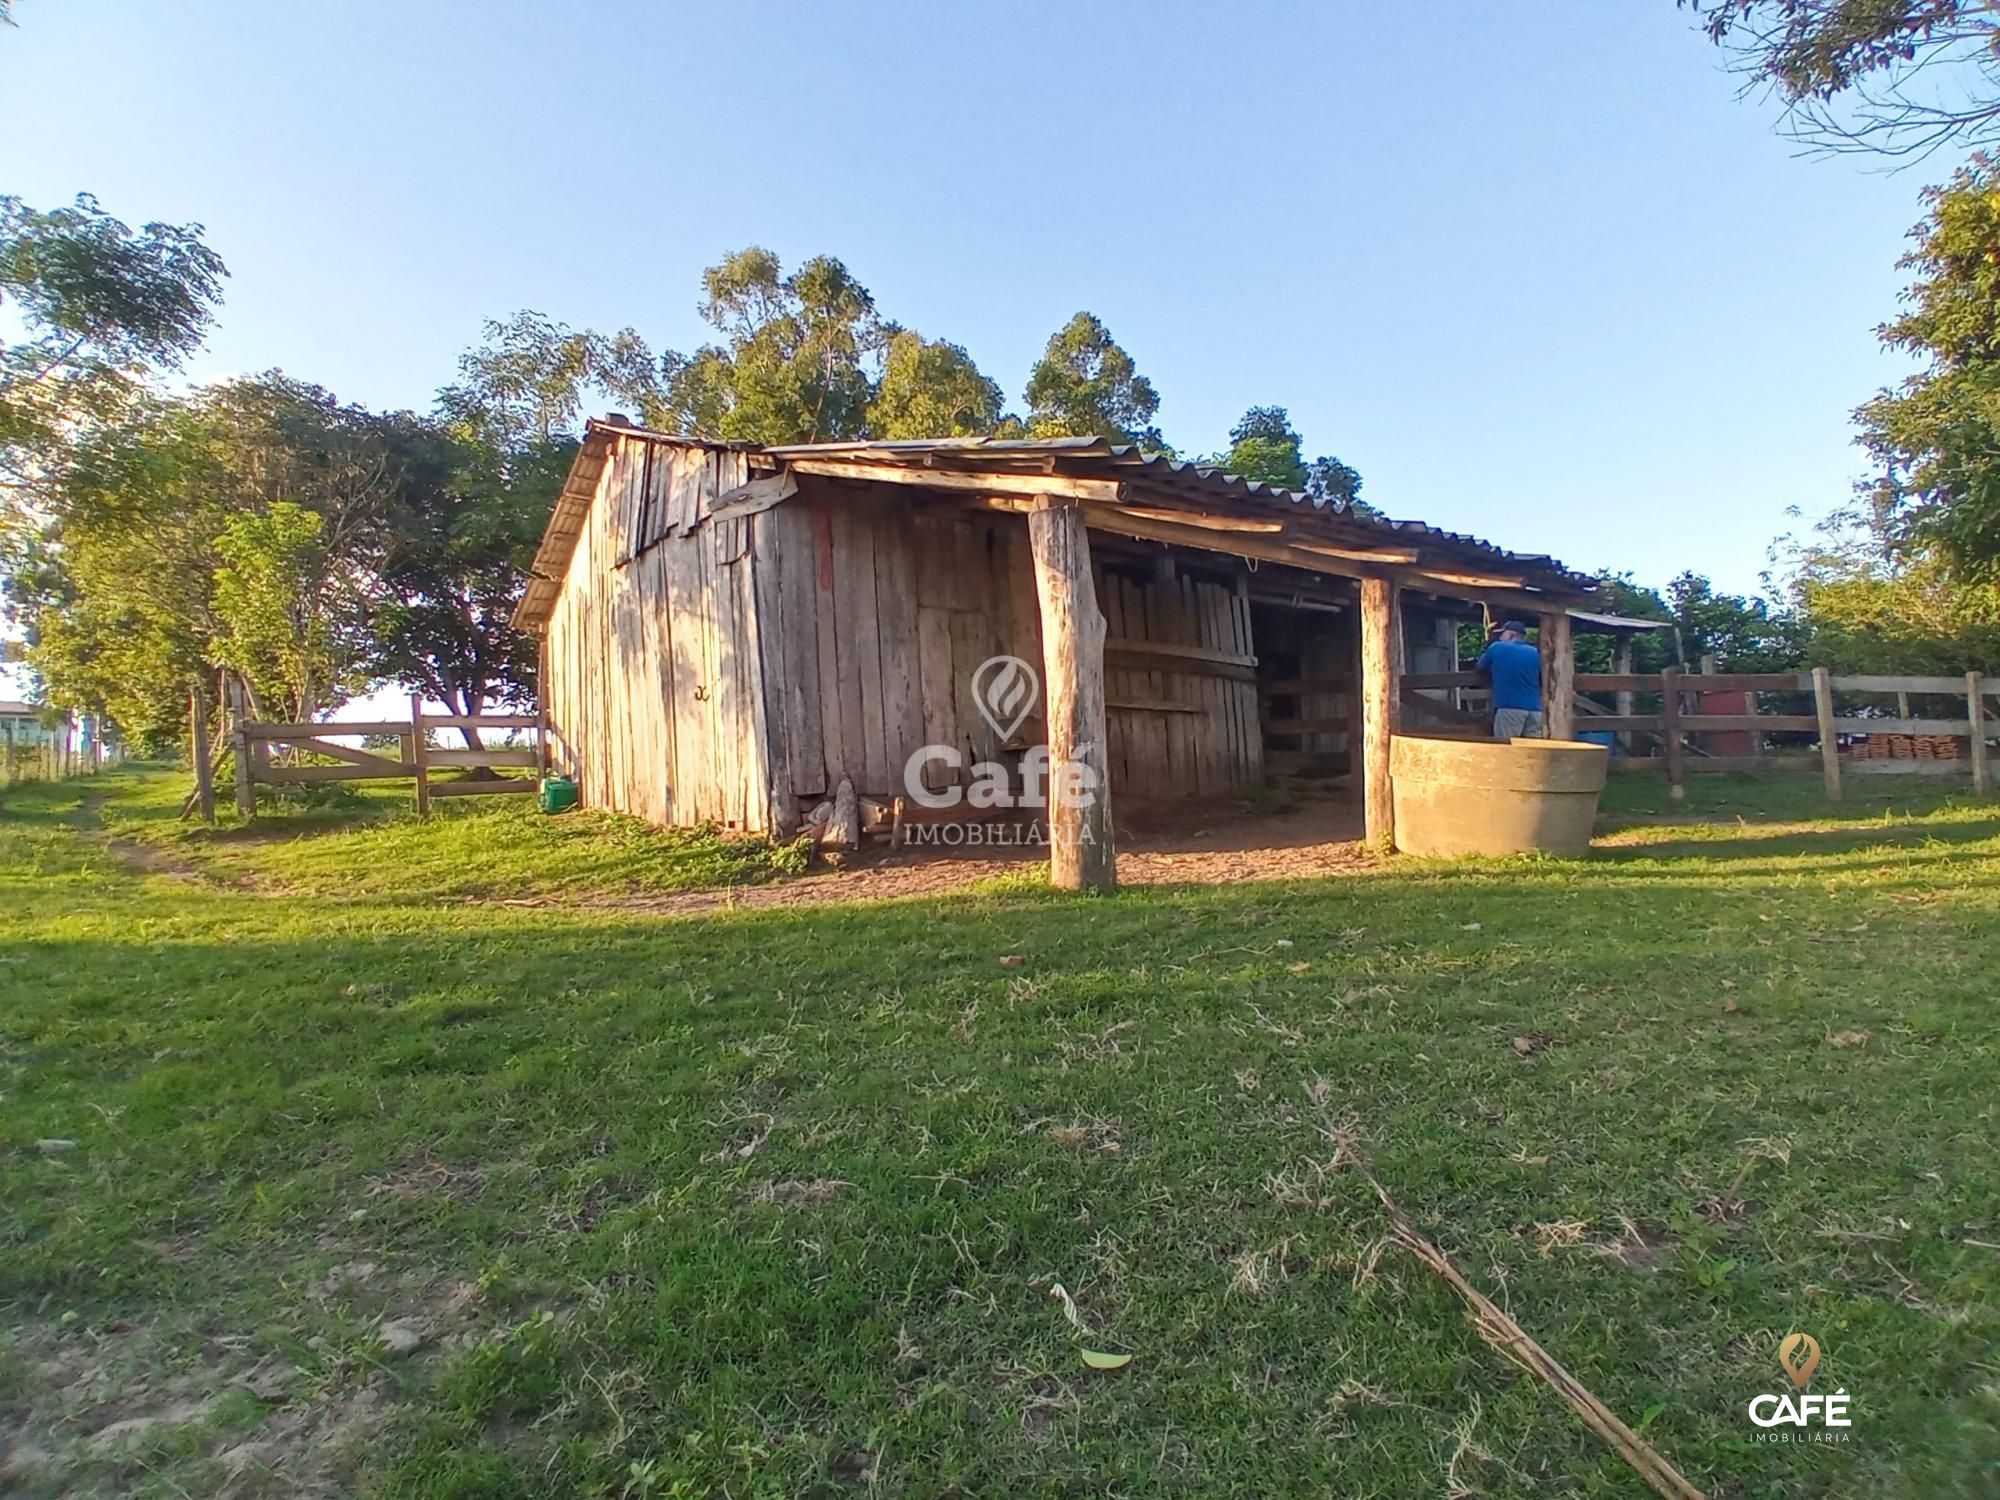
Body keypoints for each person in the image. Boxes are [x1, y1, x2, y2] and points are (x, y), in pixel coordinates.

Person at [1475, 619, 1545, 739]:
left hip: (1509, 708)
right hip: (1535, 709)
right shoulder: (1534, 652)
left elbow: (1480, 666)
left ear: (1511, 634)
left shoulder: (1497, 647)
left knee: (1506, 749)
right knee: (1533, 751)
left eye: (1502, 634)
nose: (1500, 637)